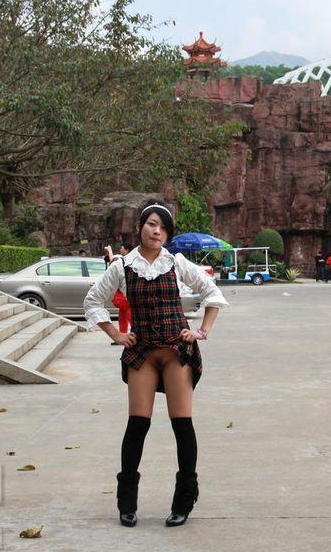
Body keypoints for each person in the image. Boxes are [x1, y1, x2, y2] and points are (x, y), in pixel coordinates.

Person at [84, 204, 228, 528]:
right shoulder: (122, 266)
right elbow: (92, 300)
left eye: (163, 227)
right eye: (152, 224)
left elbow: (212, 293)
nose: (157, 231)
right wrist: (116, 334)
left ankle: (184, 499)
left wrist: (201, 331)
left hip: (176, 350)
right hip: (142, 353)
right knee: (137, 425)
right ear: (140, 227)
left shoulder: (176, 263)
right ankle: (126, 501)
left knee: (182, 425)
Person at [104, 243, 132, 346]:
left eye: (122, 248)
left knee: (129, 316)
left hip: (126, 294)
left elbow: (112, 261)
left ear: (127, 250)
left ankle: (138, 335)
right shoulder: (125, 259)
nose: (120, 249)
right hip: (123, 292)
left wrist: (110, 250)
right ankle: (122, 335)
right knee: (123, 317)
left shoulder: (127, 261)